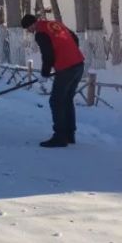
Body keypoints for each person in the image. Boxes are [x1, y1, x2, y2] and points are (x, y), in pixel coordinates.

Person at [21, 14, 86, 148]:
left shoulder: (40, 33)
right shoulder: (54, 24)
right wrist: (69, 54)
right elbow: (74, 37)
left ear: (32, 24)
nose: (29, 31)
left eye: (28, 28)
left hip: (67, 68)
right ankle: (69, 135)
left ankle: (60, 137)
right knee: (67, 99)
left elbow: (47, 54)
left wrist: (45, 73)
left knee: (56, 101)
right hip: (79, 64)